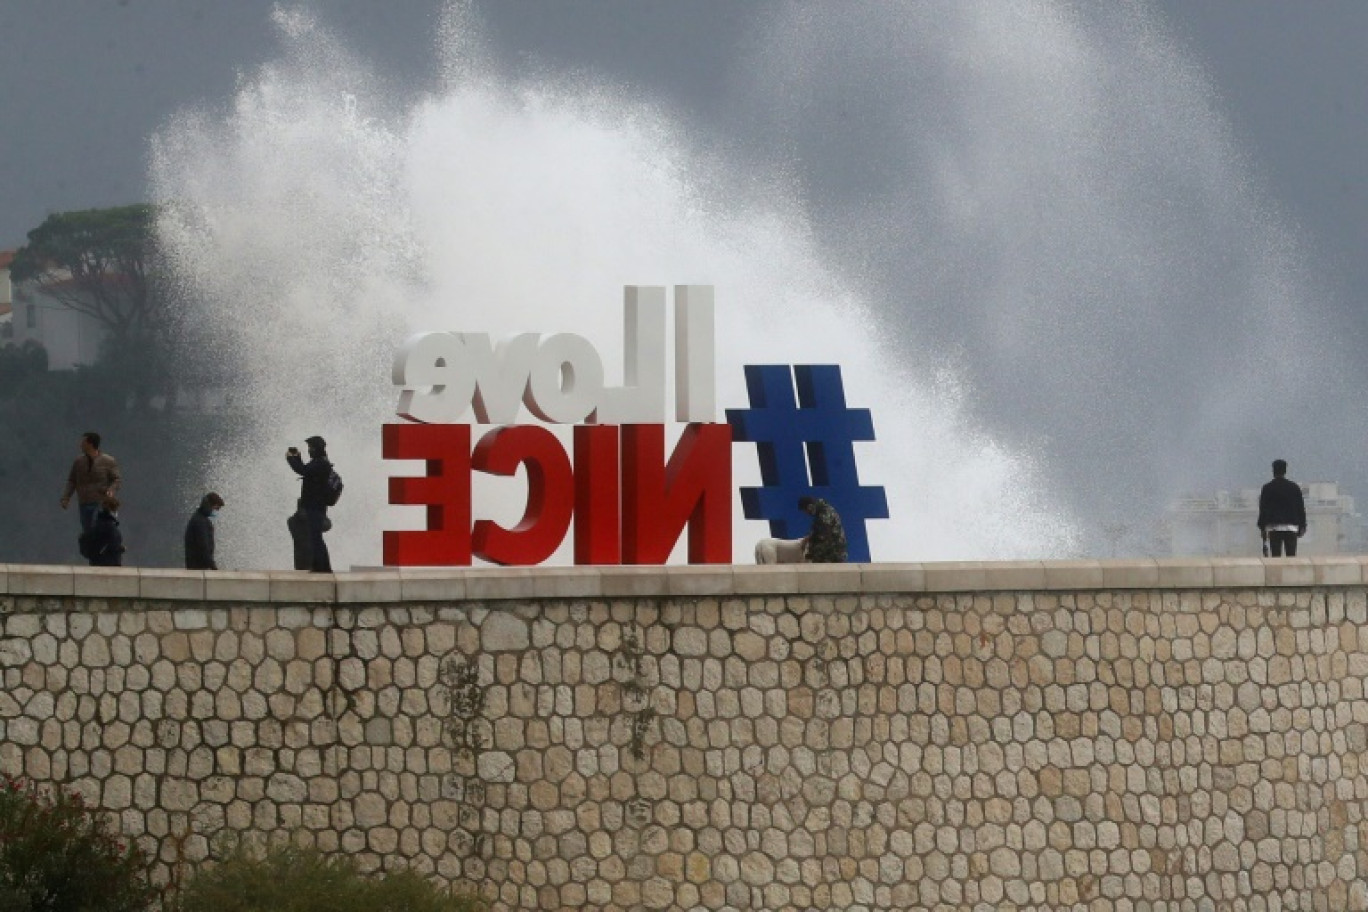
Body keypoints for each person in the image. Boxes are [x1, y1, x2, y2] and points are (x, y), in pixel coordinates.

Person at [287, 436, 333, 572]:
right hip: (314, 505)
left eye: (311, 448)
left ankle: (321, 567)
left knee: (316, 538)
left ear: (317, 448)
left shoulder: (320, 463)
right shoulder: (319, 462)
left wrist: (290, 459)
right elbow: (305, 469)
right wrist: (297, 458)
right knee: (315, 538)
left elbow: (303, 471)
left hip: (315, 506)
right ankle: (322, 567)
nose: (310, 451)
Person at [60, 431, 121, 534]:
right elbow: (72, 481)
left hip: (101, 502)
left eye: (83, 442)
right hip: (84, 502)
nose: (80, 444)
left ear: (90, 444)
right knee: (88, 531)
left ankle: (110, 547)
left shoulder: (108, 461)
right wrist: (66, 497)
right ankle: (90, 549)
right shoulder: (79, 462)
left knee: (100, 528)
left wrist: (111, 490)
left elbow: (116, 479)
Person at [1258, 459, 1307, 557]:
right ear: (1285, 471)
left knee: (1276, 557)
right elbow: (1300, 508)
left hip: (1273, 527)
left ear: (1273, 471)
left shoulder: (1267, 488)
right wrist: (1302, 525)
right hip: (1291, 527)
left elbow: (1263, 509)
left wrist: (1262, 527)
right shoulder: (1294, 488)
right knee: (1291, 556)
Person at [799, 495, 847, 563]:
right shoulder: (823, 512)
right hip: (832, 550)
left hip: (833, 553)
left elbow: (824, 535)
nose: (807, 514)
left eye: (806, 511)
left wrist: (812, 552)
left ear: (810, 507)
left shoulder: (824, 514)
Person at [80, 495, 125, 567]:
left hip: (96, 564)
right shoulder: (109, 527)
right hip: (109, 565)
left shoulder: (97, 524)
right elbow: (111, 545)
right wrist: (119, 549)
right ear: (112, 511)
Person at [184, 492, 225, 570]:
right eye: (216, 508)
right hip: (199, 568)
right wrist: (213, 567)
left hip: (195, 566)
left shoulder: (197, 518)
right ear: (209, 505)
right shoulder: (201, 522)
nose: (216, 511)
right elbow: (203, 546)